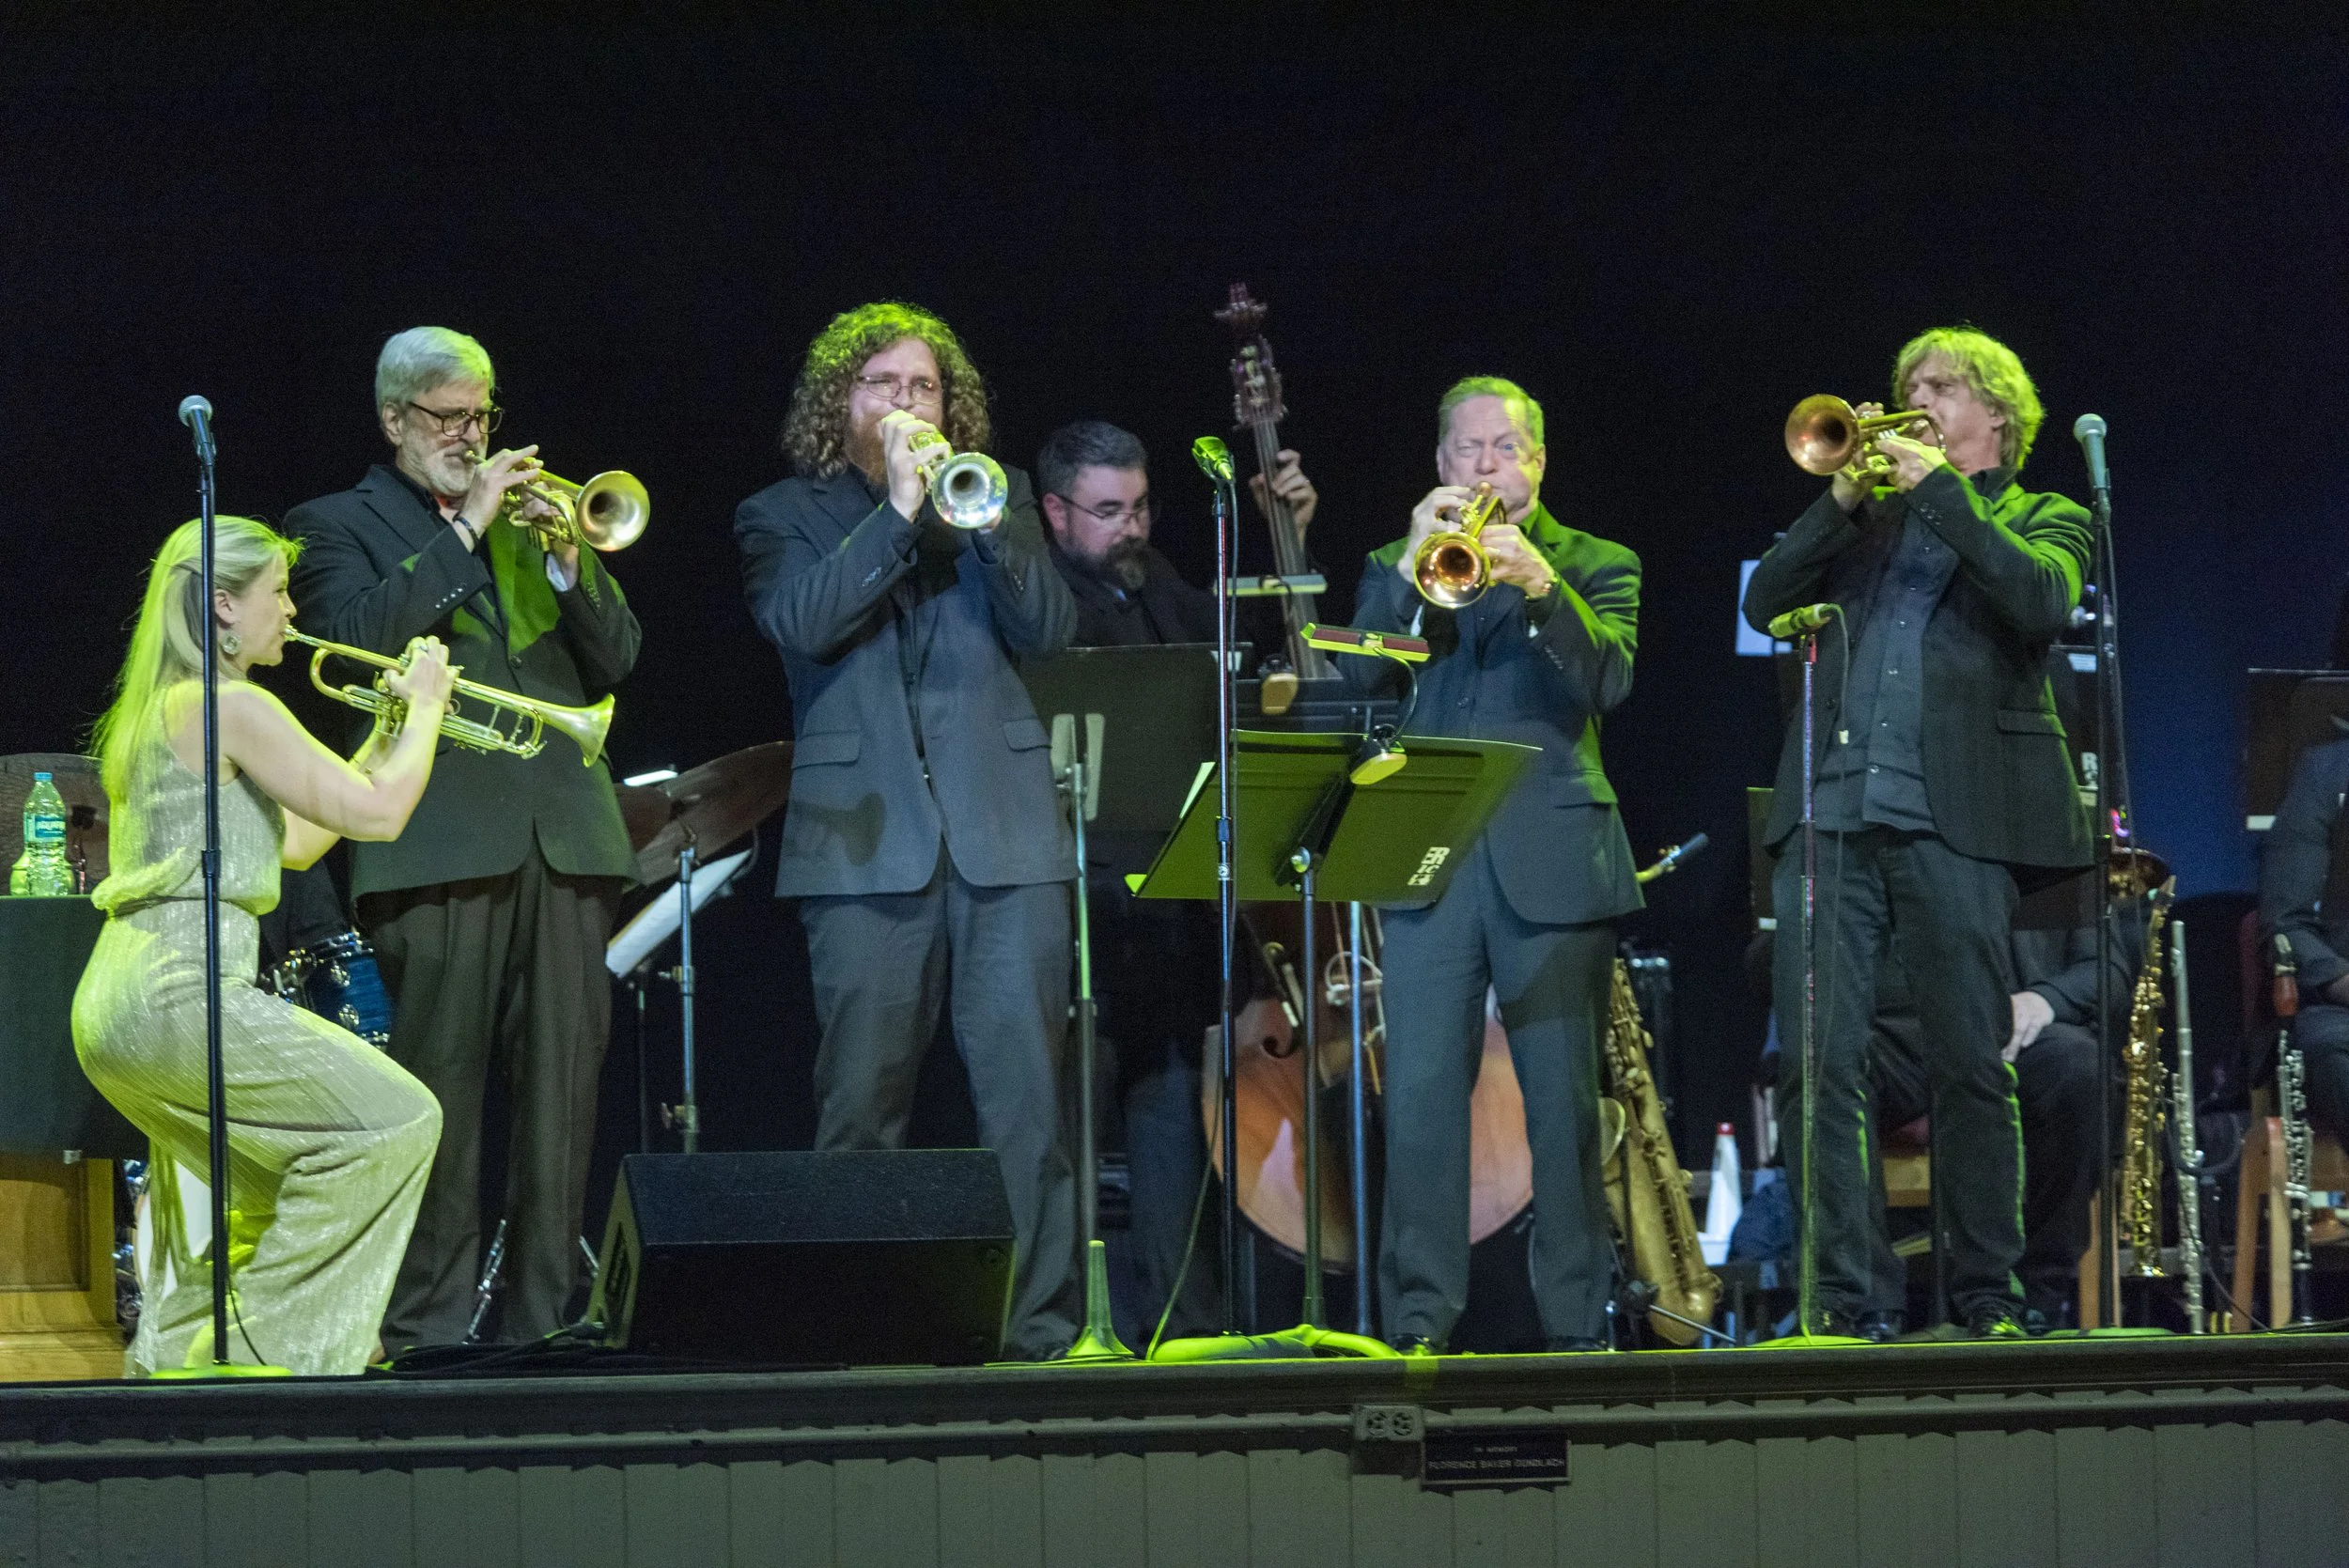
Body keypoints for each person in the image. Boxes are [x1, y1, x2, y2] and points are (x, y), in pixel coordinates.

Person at [735, 302, 1080, 1358]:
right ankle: (858, 1329)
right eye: (881, 384)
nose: (904, 403)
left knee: (1027, 1107)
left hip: (1006, 839)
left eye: (923, 387)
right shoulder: (782, 512)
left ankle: (1038, 1333)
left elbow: (1052, 633)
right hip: (860, 840)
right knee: (860, 1105)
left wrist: (980, 529)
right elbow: (799, 625)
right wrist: (892, 513)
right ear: (840, 401)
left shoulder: (1000, 494)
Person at [288, 326, 643, 1350]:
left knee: (562, 1099)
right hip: (436, 839)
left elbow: (616, 657)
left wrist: (571, 561)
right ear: (394, 418)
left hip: (569, 837)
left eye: (482, 414)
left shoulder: (539, 520)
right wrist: (465, 529)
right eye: (449, 417)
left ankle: (543, 1323)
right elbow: (355, 642)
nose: (472, 435)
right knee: (437, 1094)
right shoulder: (332, 521)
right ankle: (427, 1330)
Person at [1743, 326, 2092, 1340]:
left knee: (1971, 1064)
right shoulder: (1862, 527)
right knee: (1819, 1065)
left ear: (1996, 415)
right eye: (1908, 388)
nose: (1918, 399)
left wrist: (1936, 487)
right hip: (1831, 814)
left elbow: (2038, 600)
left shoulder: (2043, 515)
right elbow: (1766, 601)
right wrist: (1842, 496)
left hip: (1957, 816)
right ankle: (1843, 1301)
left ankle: (1986, 1295)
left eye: (1942, 386)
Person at [72, 516, 453, 1374]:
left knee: (280, 1185)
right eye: (277, 591)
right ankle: (262, 1356)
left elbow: (299, 840)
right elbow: (380, 815)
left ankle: (176, 1363)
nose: (291, 609)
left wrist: (388, 728)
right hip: (183, 987)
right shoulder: (233, 704)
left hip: (121, 1001)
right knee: (397, 1123)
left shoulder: (160, 711)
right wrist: (427, 707)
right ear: (220, 609)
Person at [1329, 375, 1641, 1353]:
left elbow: (1610, 681)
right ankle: (1417, 1323)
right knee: (1418, 1103)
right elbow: (1355, 679)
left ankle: (1575, 1328)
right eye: (1467, 450)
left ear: (1538, 461)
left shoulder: (1596, 562)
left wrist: (1540, 587)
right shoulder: (1397, 563)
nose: (1485, 465)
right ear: (1438, 466)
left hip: (1552, 857)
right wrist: (1407, 568)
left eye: (1505, 448)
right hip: (1429, 855)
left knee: (1562, 1114)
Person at [1034, 418, 1322, 1342]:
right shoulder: (1032, 598)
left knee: (1174, 1161)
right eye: (1108, 510)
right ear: (1053, 512)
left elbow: (1255, 649)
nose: (1132, 527)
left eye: (1143, 506)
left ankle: (1180, 1342)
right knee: (1060, 1150)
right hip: (1072, 912)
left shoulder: (1153, 581)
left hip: (1166, 922)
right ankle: (1052, 1335)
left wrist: (1289, 539)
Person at [2261, 733, 2349, 1140]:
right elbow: (2286, 921)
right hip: (2341, 1007)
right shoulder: (2327, 774)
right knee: (2334, 1054)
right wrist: (2340, 979)